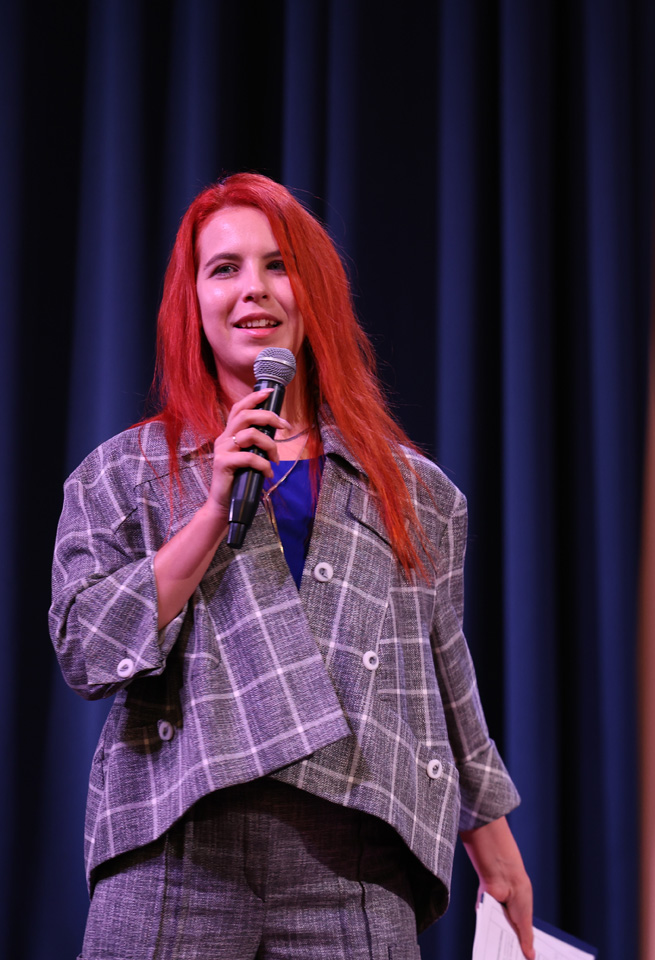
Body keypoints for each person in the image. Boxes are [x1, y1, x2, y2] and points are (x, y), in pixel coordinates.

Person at [49, 173, 535, 959]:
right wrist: (211, 512)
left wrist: (491, 834)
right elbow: (85, 647)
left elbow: (442, 670)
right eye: (225, 268)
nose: (255, 289)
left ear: (316, 293)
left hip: (355, 855)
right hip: (177, 843)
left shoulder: (414, 492)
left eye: (279, 265)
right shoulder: (123, 473)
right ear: (192, 302)